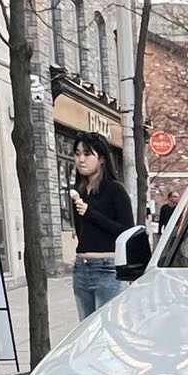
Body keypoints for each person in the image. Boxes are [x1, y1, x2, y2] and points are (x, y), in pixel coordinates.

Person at [68, 132, 134, 318]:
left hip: (107, 269)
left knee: (106, 330)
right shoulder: (79, 192)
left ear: (102, 158)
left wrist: (91, 214)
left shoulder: (115, 190)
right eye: (77, 153)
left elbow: (126, 232)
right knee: (86, 332)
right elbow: (83, 233)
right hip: (81, 268)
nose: (81, 159)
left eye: (87, 154)